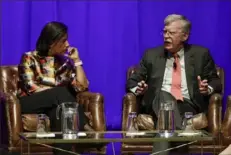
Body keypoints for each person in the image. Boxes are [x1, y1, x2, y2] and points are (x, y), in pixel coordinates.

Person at [126, 14, 222, 154]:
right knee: (164, 95)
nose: (166, 36)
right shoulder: (151, 55)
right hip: (156, 103)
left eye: (171, 33)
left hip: (187, 105)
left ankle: (173, 132)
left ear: (185, 36)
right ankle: (180, 136)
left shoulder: (201, 54)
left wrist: (207, 88)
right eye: (164, 32)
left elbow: (216, 81)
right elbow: (132, 81)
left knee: (165, 125)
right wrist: (138, 89)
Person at [17, 21, 90, 155]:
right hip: (30, 103)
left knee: (61, 112)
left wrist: (77, 61)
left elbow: (81, 87)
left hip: (55, 106)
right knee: (61, 92)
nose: (67, 44)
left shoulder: (64, 62)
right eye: (63, 41)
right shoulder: (29, 57)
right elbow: (30, 88)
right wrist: (56, 93)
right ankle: (84, 127)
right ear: (51, 42)